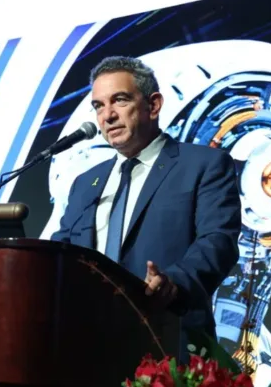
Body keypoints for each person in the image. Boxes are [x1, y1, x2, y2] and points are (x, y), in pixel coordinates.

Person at [51, 56, 241, 362]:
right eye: (99, 106)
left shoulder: (203, 165)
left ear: (153, 105)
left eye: (120, 100)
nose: (107, 115)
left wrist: (174, 282)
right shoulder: (85, 184)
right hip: (89, 351)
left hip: (168, 342)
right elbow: (61, 256)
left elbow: (218, 241)